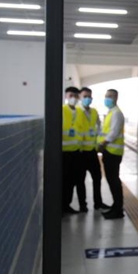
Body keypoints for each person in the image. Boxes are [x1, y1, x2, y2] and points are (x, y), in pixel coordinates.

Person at [76, 87, 109, 211]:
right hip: (80, 152)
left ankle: (98, 203)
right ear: (80, 97)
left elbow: (99, 128)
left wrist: (99, 144)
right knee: (80, 180)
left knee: (97, 177)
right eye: (85, 96)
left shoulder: (94, 112)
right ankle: (82, 205)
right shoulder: (77, 111)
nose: (88, 99)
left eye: (89, 96)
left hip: (92, 151)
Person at [98, 89, 125, 219]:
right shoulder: (111, 113)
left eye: (110, 96)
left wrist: (102, 144)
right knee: (111, 180)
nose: (107, 98)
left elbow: (113, 133)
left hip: (113, 152)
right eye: (106, 95)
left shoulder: (116, 114)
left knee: (114, 180)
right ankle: (116, 207)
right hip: (110, 152)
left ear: (116, 98)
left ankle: (118, 209)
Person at [62, 86, 85, 215]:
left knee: (71, 181)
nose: (73, 98)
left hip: (76, 152)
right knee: (63, 181)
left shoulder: (79, 112)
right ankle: (61, 206)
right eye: (71, 95)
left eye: (76, 96)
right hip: (64, 152)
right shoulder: (61, 110)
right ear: (66, 96)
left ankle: (67, 205)